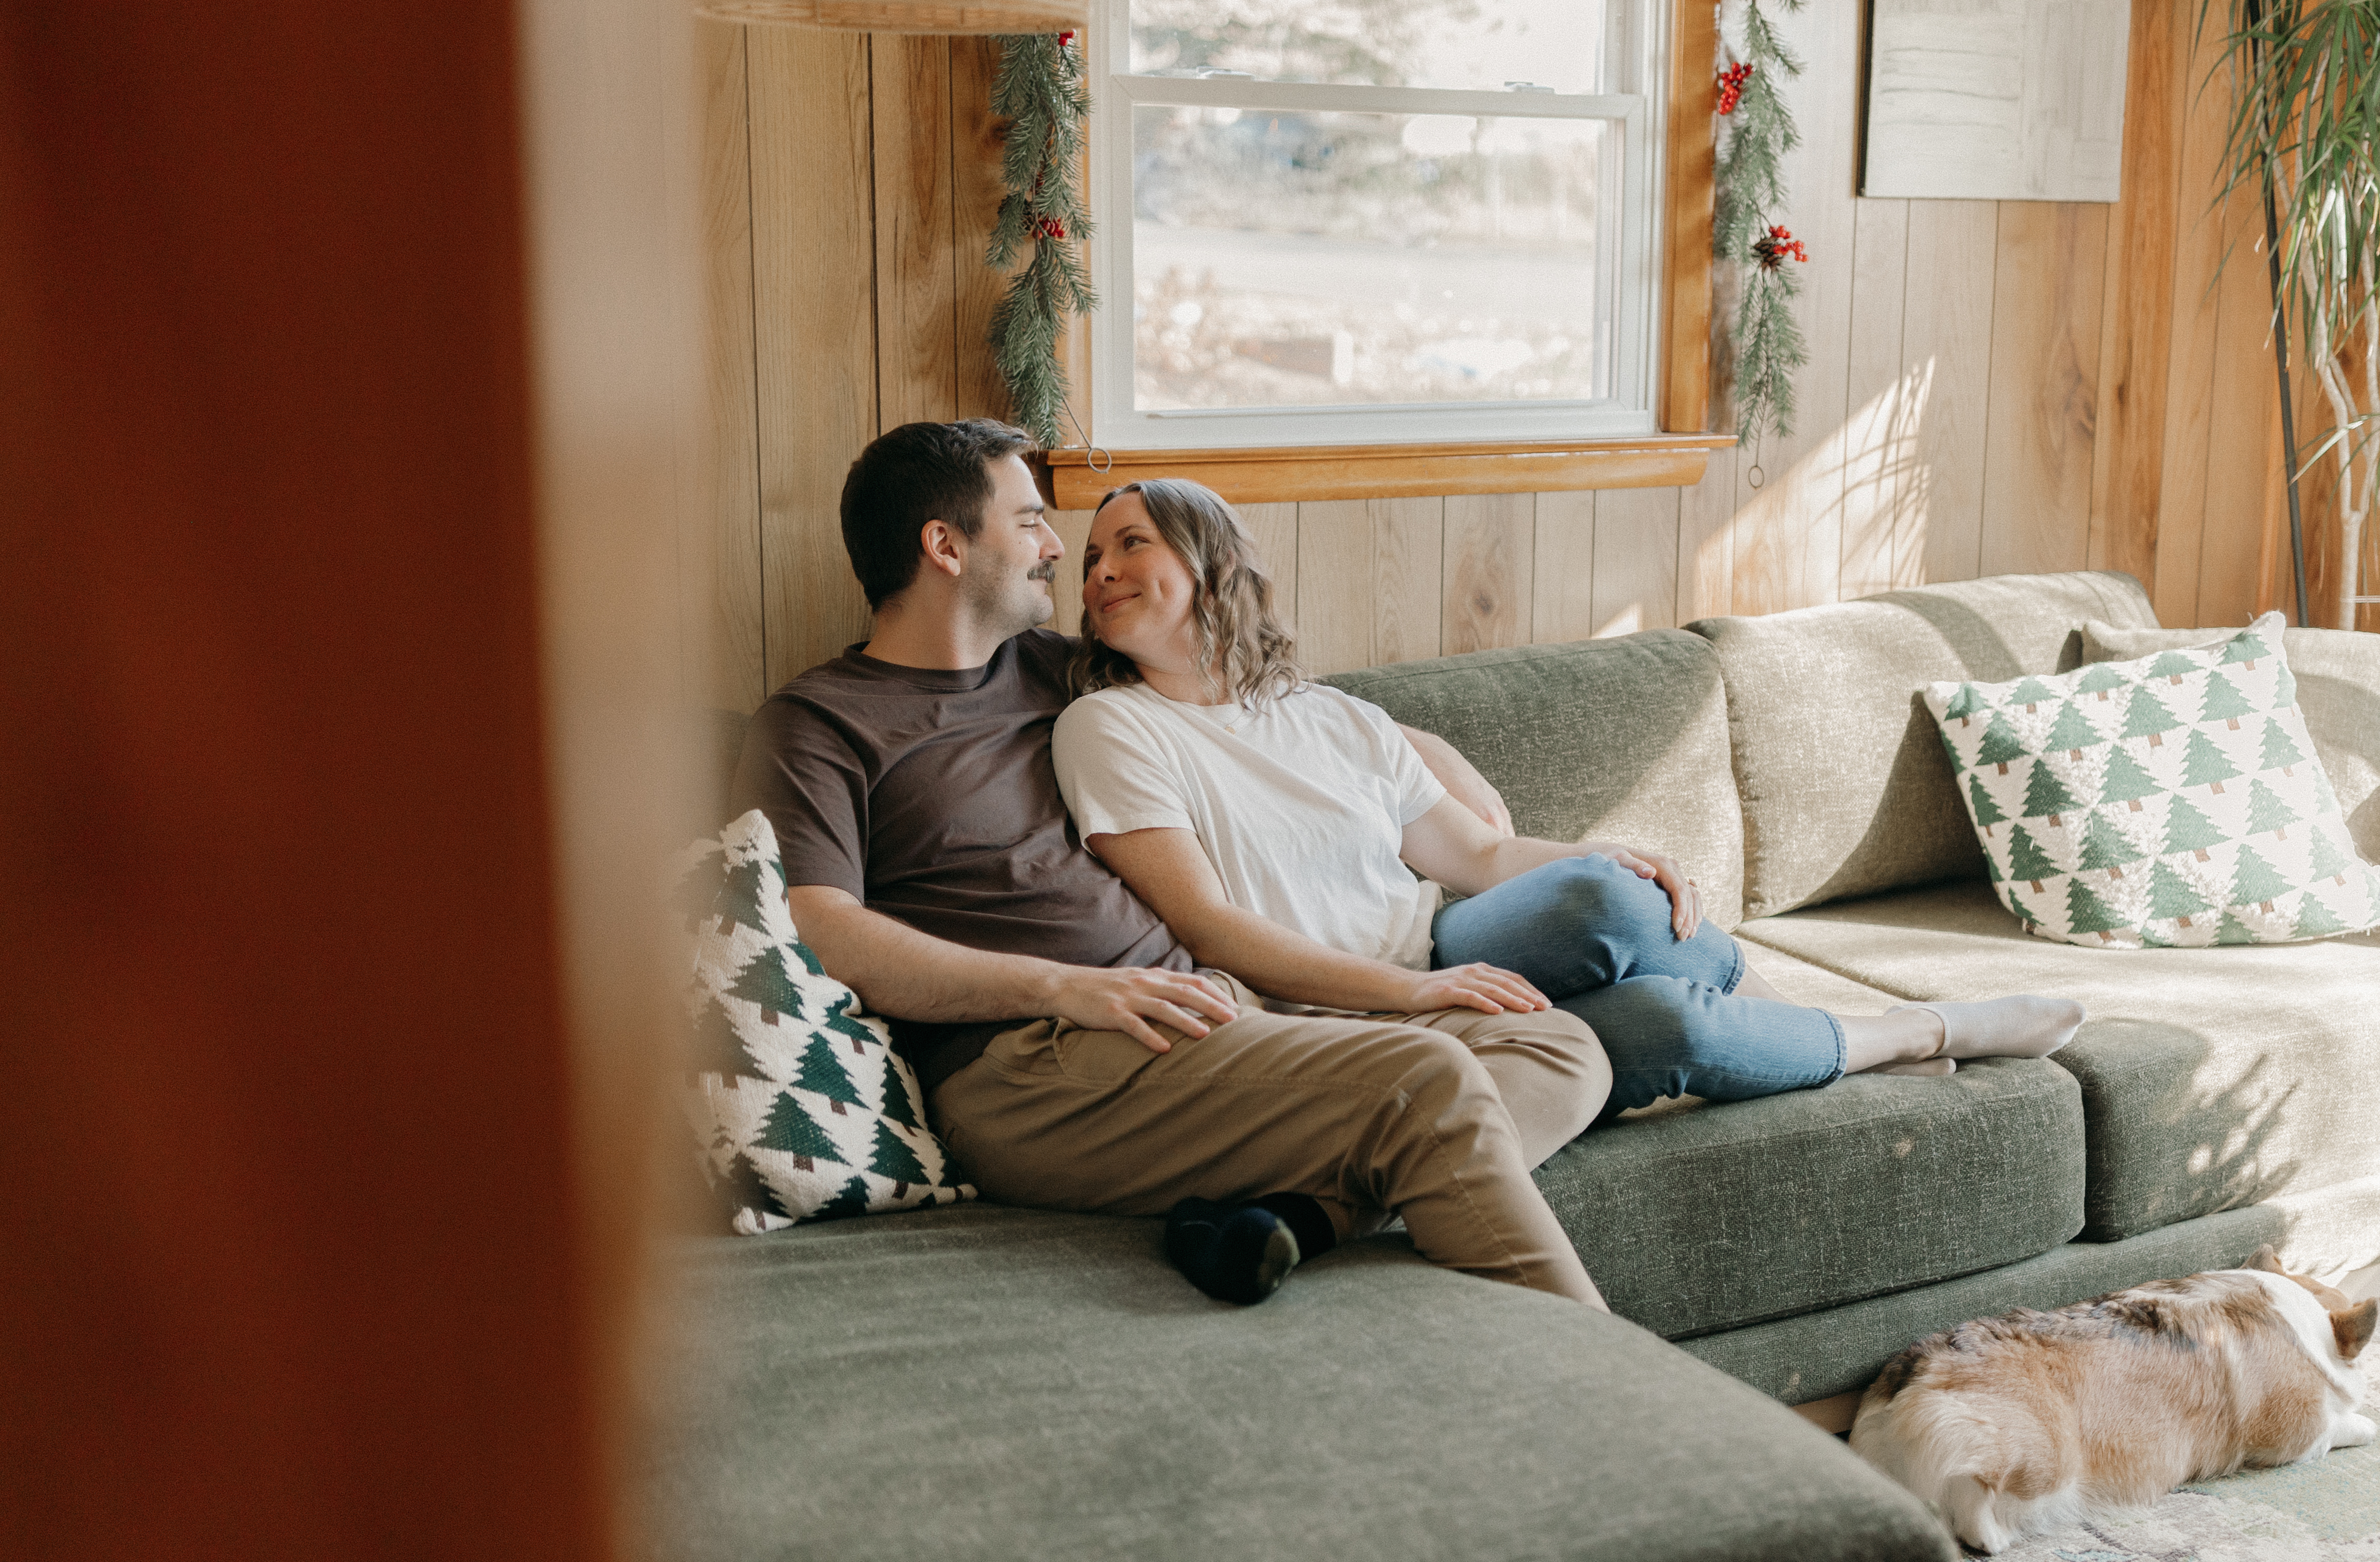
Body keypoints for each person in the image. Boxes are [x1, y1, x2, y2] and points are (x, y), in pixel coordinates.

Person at [735, 420, 1614, 1310]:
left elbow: (1271, 701)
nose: (1057, 551)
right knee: (1428, 1082)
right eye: (1032, 521)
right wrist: (1057, 989)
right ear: (945, 546)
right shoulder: (819, 725)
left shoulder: (1057, 670)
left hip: (1197, 1017)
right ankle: (1609, 1400)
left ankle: (1297, 1221)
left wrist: (1439, 764)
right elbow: (824, 928)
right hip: (1029, 1068)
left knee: (1559, 1045)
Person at [1051, 479, 2083, 1118]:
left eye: (1129, 543)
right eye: (1091, 560)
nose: (1099, 572)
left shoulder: (1327, 716)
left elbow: (1479, 860)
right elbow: (1208, 924)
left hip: (1447, 945)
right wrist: (1414, 997)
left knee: (1613, 895)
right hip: (1337, 1007)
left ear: (1213, 560)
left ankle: (1809, 1019)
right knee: (1670, 1030)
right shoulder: (1110, 729)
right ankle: (1911, 1033)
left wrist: (1621, 860)